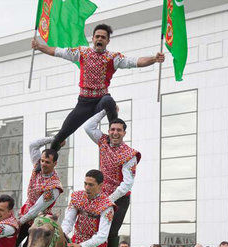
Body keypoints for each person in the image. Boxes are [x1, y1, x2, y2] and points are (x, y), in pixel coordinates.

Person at [31, 23, 165, 151]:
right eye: (97, 37)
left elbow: (134, 62)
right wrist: (39, 46)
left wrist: (154, 59)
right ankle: (46, 164)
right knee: (60, 136)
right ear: (93, 39)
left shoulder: (113, 57)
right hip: (84, 103)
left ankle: (115, 141)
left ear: (107, 41)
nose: (100, 39)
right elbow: (58, 51)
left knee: (108, 101)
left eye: (103, 37)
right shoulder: (82, 52)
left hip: (100, 101)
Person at [83, 111, 140, 247]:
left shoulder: (130, 154)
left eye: (119, 130)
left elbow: (126, 184)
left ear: (124, 133)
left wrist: (108, 200)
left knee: (111, 231)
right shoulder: (103, 142)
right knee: (89, 226)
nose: (115, 133)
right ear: (109, 130)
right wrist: (105, 111)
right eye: (112, 129)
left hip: (119, 198)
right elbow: (88, 126)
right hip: (100, 196)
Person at [7, 139, 62, 247]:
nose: (43, 164)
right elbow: (32, 145)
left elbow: (36, 209)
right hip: (25, 213)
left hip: (38, 219)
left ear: (55, 164)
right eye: (43, 160)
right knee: (11, 243)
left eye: (47, 162)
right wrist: (55, 139)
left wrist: (19, 221)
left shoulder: (54, 186)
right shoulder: (37, 166)